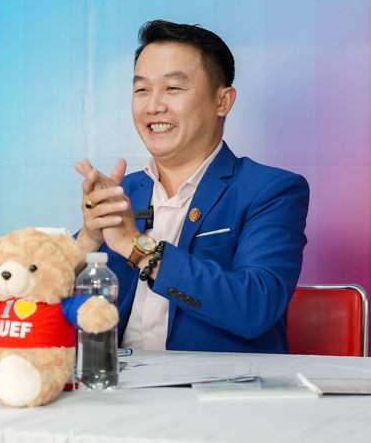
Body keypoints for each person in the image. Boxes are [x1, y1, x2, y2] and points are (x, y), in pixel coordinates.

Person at [75, 20, 309, 353]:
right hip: (119, 378)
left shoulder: (270, 190)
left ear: (222, 101)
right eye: (142, 90)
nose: (153, 106)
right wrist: (88, 239)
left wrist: (137, 247)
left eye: (172, 88)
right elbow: (38, 299)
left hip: (218, 383)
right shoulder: (123, 193)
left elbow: (256, 306)